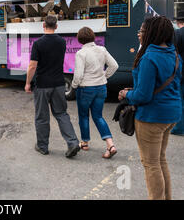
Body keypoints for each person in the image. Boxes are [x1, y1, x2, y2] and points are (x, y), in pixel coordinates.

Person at [118, 16, 182, 200]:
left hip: (152, 117)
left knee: (151, 164)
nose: (139, 34)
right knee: (160, 160)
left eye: (142, 31)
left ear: (151, 34)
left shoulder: (148, 57)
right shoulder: (174, 55)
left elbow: (143, 96)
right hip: (171, 114)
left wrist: (126, 94)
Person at [25, 16, 80, 158]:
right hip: (59, 84)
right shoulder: (62, 42)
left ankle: (43, 147)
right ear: (56, 26)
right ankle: (73, 142)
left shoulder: (38, 44)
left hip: (42, 84)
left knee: (42, 117)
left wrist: (27, 83)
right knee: (62, 114)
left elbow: (32, 66)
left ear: (43, 25)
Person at [71, 27, 119, 158]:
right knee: (98, 116)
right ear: (92, 37)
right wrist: (104, 75)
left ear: (80, 39)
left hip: (86, 88)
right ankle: (110, 144)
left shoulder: (81, 53)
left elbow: (78, 75)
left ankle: (85, 142)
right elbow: (114, 65)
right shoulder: (102, 49)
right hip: (101, 87)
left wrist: (73, 86)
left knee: (84, 116)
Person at [171, 12, 184, 135]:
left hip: (182, 72)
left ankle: (179, 128)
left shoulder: (178, 33)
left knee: (181, 101)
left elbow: (174, 52)